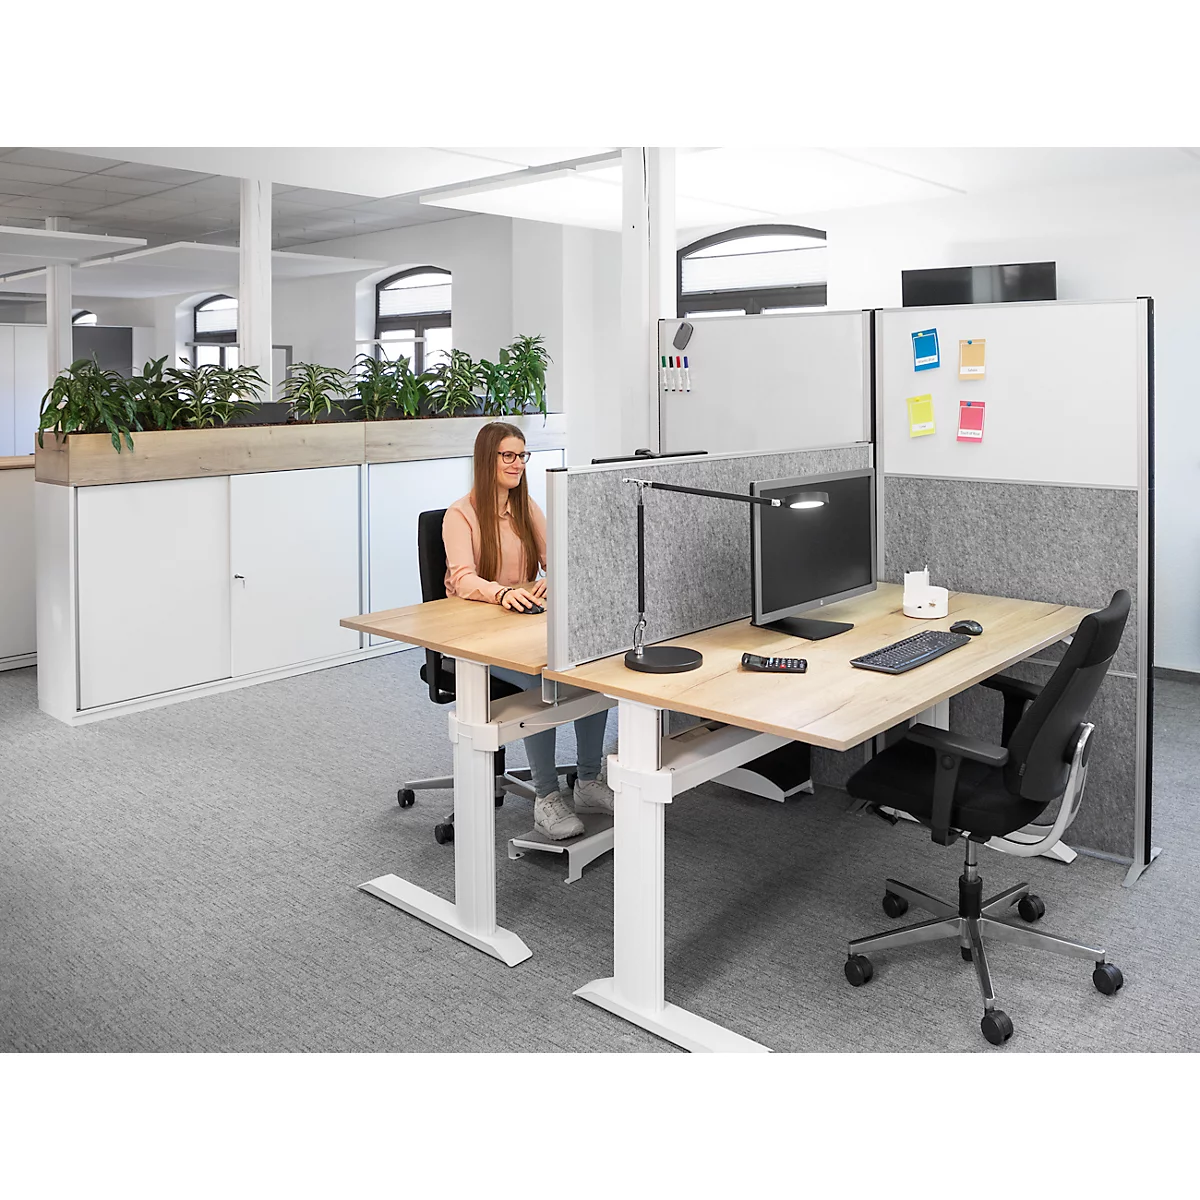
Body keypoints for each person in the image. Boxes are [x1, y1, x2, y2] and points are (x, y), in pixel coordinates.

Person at [443, 421, 613, 840]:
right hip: (473, 639)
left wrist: (551, 578)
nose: (518, 464)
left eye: (522, 455)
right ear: (488, 459)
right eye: (508, 455)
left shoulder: (526, 508)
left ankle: (588, 783)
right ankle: (546, 798)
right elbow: (462, 578)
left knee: (589, 665)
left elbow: (558, 557)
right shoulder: (459, 515)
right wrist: (501, 593)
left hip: (520, 625)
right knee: (545, 682)